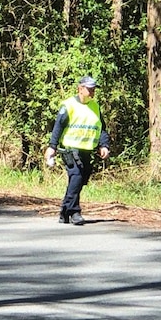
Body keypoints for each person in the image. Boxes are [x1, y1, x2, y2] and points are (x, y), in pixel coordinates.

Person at [45, 75, 111, 225]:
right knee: (76, 176)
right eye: (89, 89)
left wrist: (104, 145)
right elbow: (58, 127)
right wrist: (52, 147)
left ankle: (64, 211)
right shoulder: (68, 105)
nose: (92, 92)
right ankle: (74, 211)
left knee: (81, 180)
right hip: (70, 149)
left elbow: (101, 128)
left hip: (87, 150)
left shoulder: (95, 106)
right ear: (80, 89)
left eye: (93, 89)